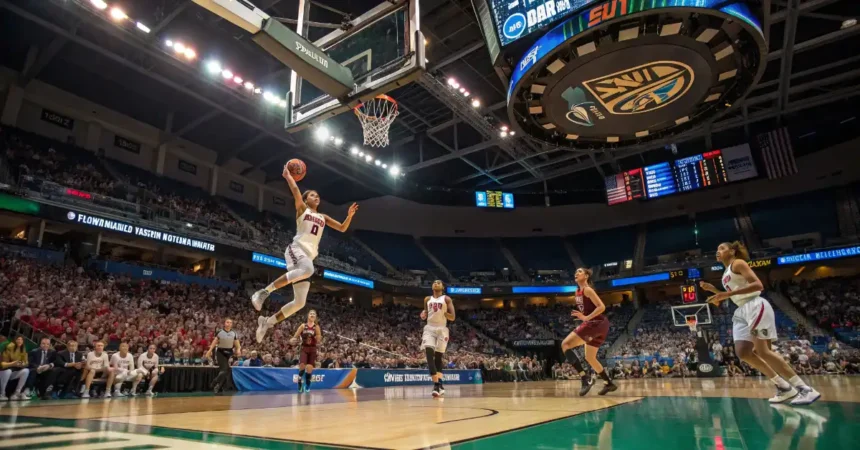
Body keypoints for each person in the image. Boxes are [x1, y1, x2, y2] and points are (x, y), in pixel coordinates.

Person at [700, 241, 820, 405]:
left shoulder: (738, 263)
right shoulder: (725, 273)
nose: (717, 251)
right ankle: (784, 387)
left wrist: (725, 295)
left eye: (722, 248)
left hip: (755, 305)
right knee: (743, 352)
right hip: (741, 310)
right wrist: (715, 292)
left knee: (763, 351)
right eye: (717, 248)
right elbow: (734, 294)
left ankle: (805, 389)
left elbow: (758, 285)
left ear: (733, 251)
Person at [252, 165, 359, 343]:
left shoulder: (323, 217)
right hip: (296, 250)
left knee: (300, 303)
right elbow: (295, 189)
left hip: (307, 258)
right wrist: (287, 176)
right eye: (312, 195)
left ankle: (266, 322)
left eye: (317, 195)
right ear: (305, 199)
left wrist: (349, 216)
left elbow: (341, 228)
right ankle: (263, 292)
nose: (316, 197)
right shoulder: (302, 209)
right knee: (308, 269)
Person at [560, 268, 617, 396]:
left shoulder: (588, 290)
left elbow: (601, 307)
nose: (576, 273)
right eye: (575, 272)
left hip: (596, 323)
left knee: (565, 344)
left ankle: (585, 379)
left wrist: (585, 317)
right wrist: (584, 316)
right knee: (590, 357)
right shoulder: (577, 292)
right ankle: (609, 383)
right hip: (599, 325)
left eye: (579, 271)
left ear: (586, 276)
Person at [420, 280, 455, 397]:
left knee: (438, 358)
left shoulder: (446, 299)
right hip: (429, 328)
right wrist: (423, 314)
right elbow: (425, 313)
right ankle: (436, 385)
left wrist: (445, 314)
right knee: (429, 354)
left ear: (443, 287)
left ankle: (439, 384)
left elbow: (453, 317)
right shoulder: (426, 299)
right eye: (434, 282)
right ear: (431, 286)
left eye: (439, 282)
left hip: (442, 329)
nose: (436, 283)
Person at [290, 309, 322, 393]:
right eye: (311, 313)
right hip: (304, 348)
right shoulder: (303, 326)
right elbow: (295, 336)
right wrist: (292, 340)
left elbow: (319, 337)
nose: (312, 314)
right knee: (302, 366)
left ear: (315, 317)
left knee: (309, 368)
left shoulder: (316, 327)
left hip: (313, 349)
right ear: (308, 316)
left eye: (314, 314)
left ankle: (308, 384)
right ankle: (299, 383)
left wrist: (318, 338)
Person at [205, 318, 240, 394]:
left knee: (226, 371)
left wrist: (238, 350)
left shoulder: (234, 333)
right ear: (224, 323)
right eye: (227, 322)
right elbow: (214, 342)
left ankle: (218, 387)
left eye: (230, 322)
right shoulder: (220, 332)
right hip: (220, 352)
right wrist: (210, 350)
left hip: (229, 352)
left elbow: (237, 344)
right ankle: (215, 382)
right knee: (224, 369)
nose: (229, 324)